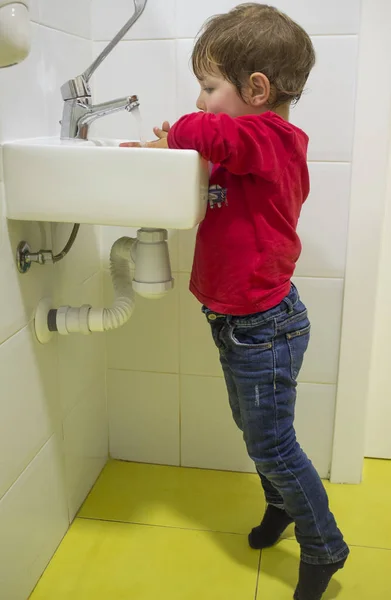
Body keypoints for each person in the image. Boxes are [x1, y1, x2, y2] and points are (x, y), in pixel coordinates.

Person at [121, 4, 349, 599]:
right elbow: (211, 153)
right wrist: (158, 156)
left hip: (264, 325)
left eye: (208, 86)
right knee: (258, 436)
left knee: (272, 442)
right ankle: (280, 508)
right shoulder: (246, 147)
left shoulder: (274, 140)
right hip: (239, 321)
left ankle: (325, 547)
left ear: (256, 89)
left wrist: (177, 130)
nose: (200, 101)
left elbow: (208, 133)